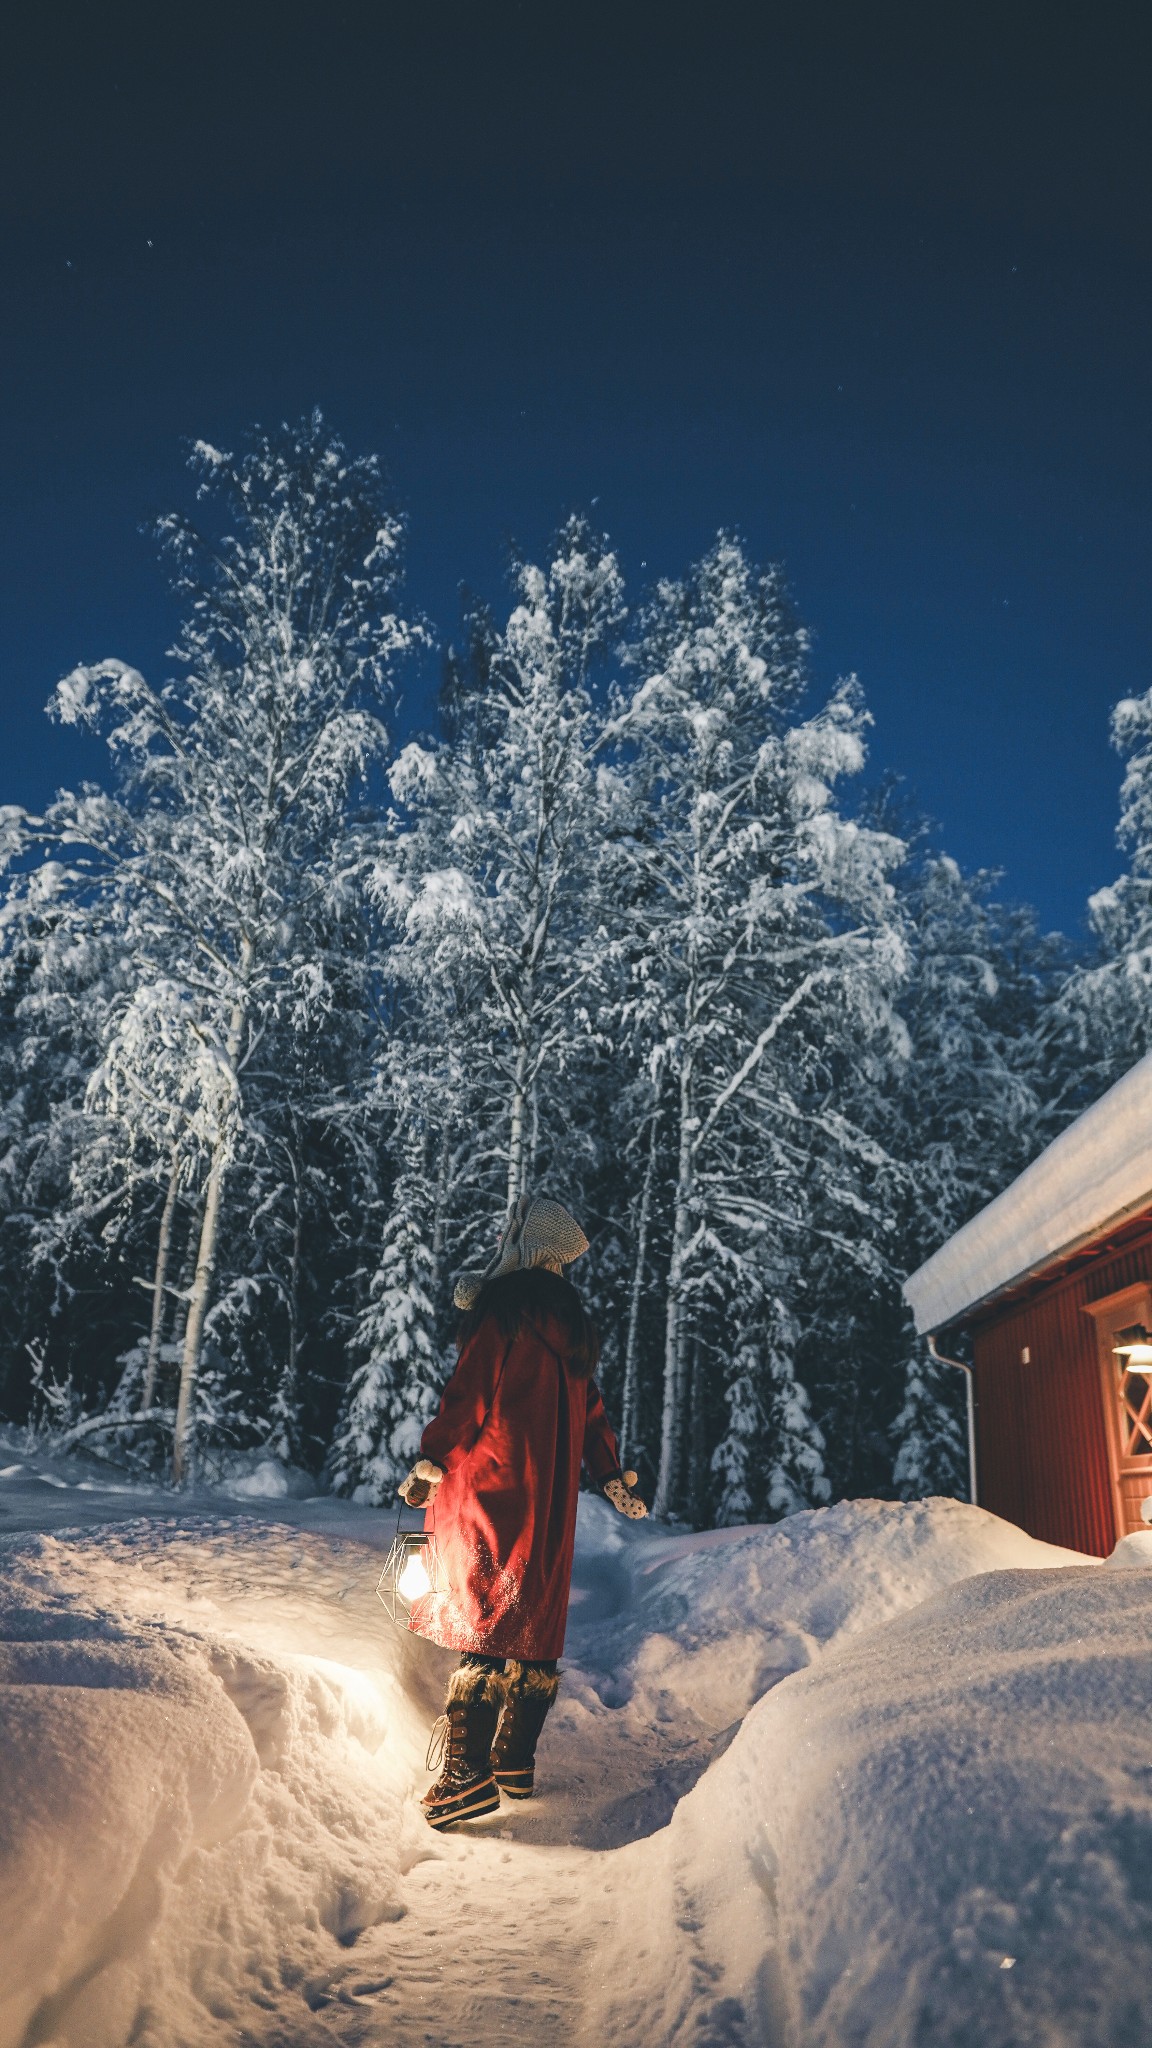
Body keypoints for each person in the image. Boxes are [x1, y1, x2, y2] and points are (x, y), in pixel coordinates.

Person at [396, 1192, 648, 1830]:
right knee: (530, 1617)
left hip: (488, 1487)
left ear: (525, 1244)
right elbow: (591, 1412)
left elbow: (469, 1395)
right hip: (551, 1501)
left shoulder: (503, 1313)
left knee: (481, 1616)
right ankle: (514, 1762)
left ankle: (464, 1780)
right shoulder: (572, 1325)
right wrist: (610, 1473)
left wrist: (433, 1457)